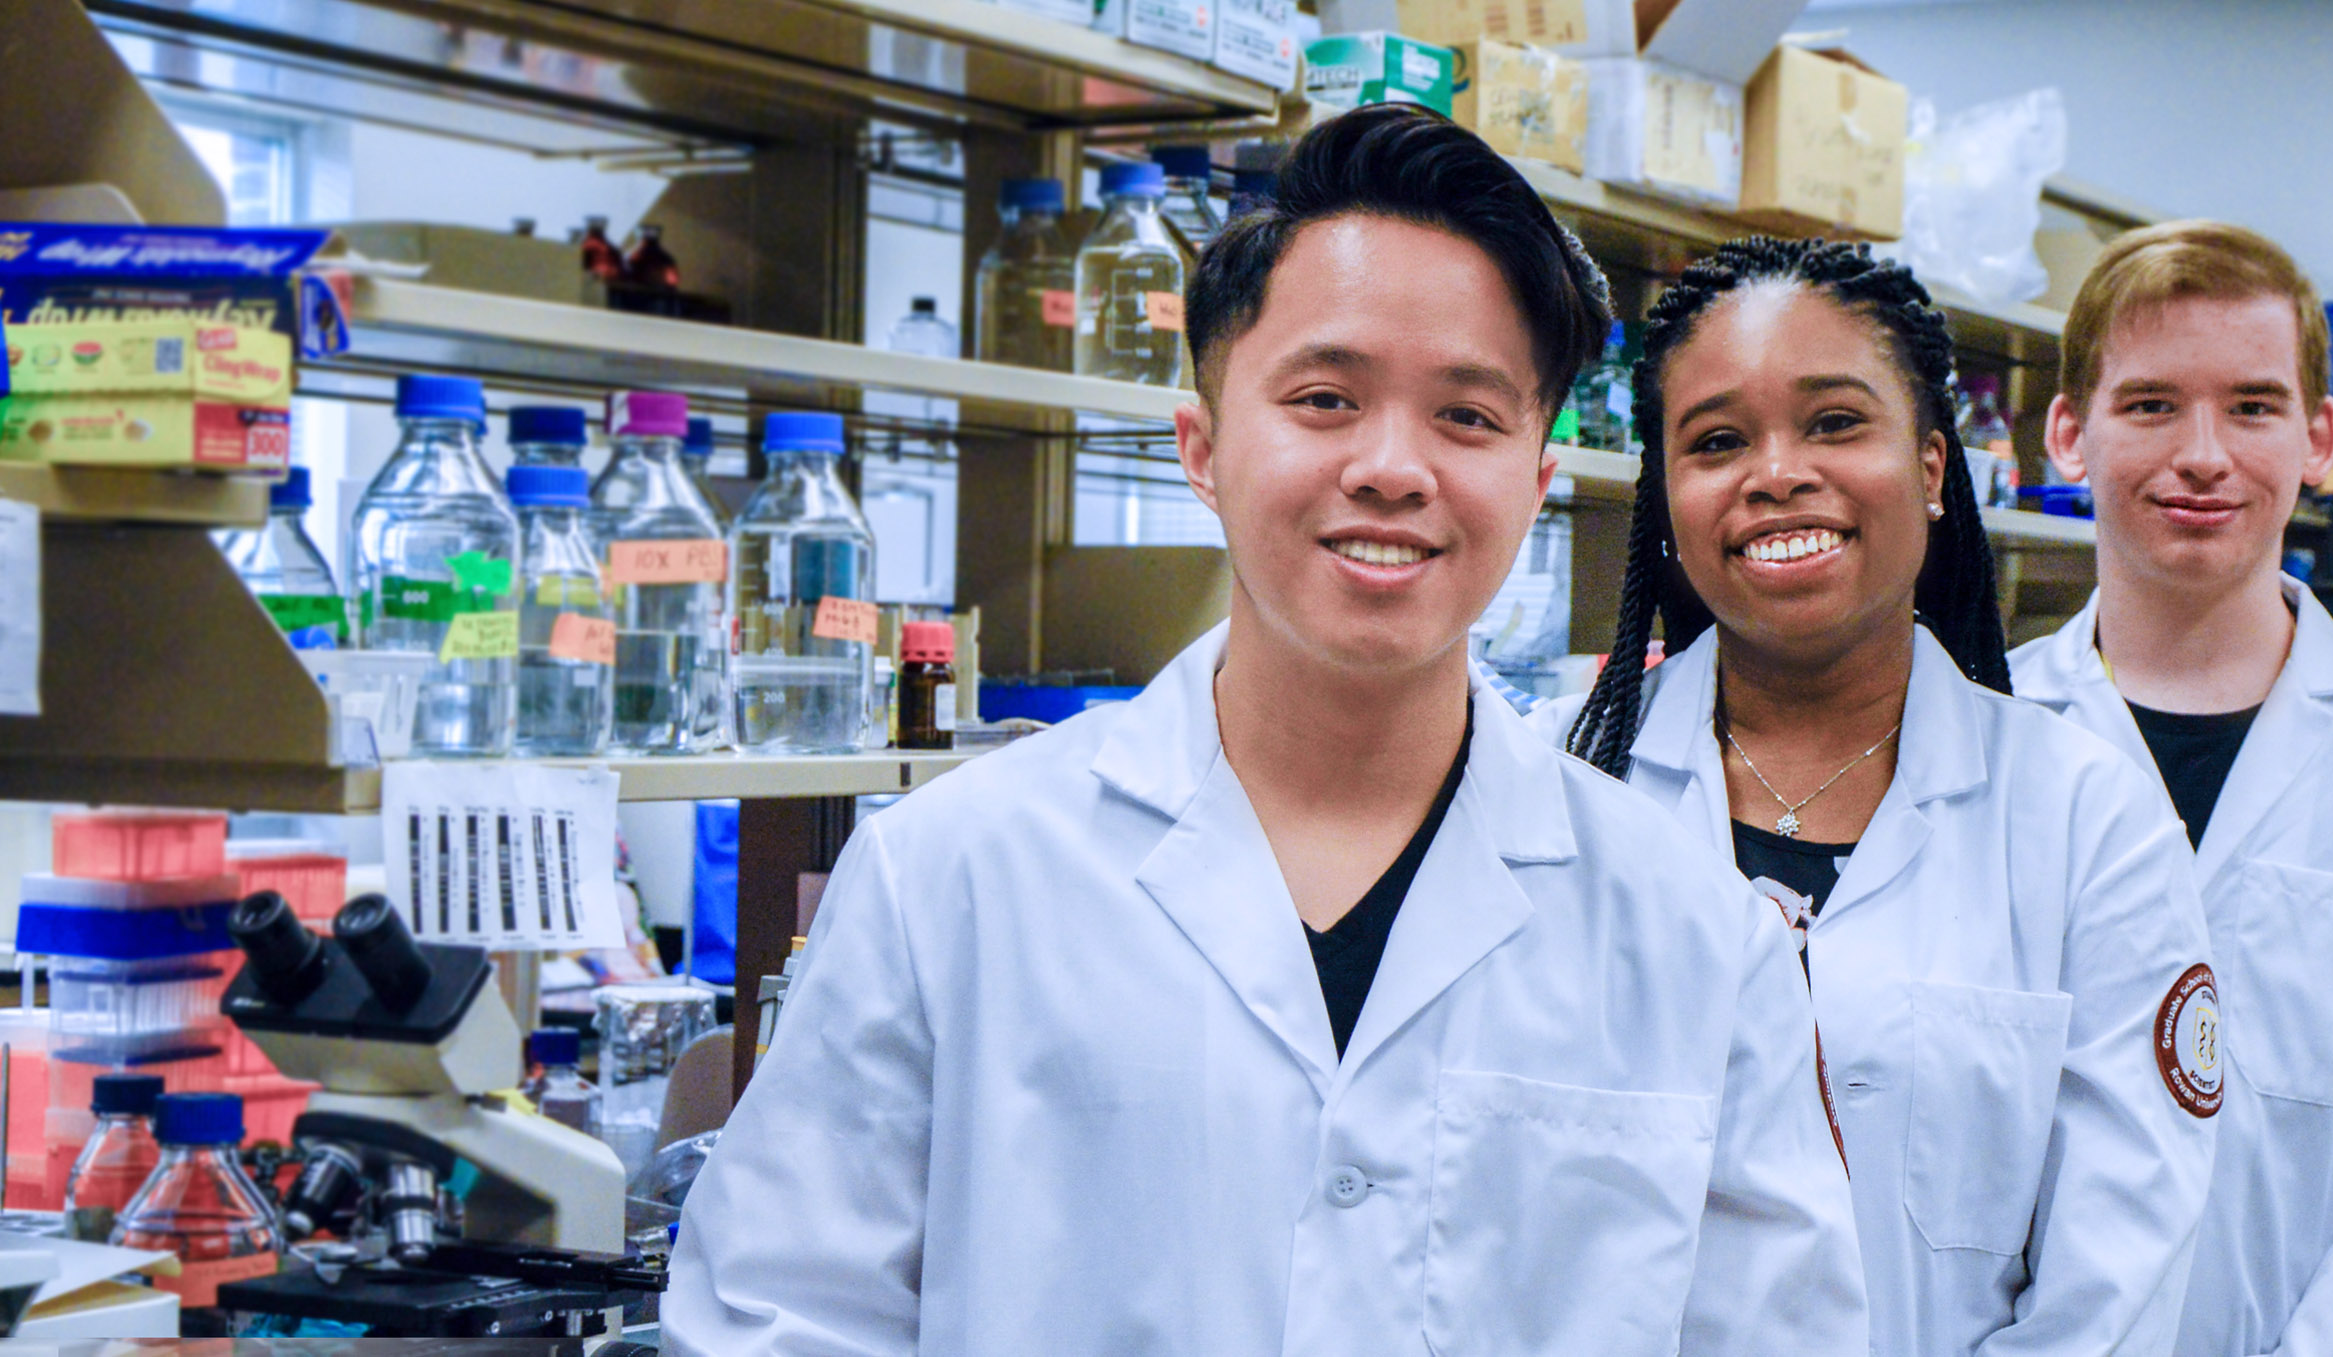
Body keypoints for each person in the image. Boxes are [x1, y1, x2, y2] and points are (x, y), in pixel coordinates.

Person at [662, 105, 1867, 1355]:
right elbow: (779, 1319)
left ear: (1536, 475)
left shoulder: (1688, 928)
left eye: (1467, 416)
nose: (1392, 467)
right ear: (1204, 446)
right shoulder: (949, 875)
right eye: (1326, 397)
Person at [1536, 237, 2219, 1355]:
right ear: (1664, 497)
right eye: (1714, 441)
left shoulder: (2084, 819)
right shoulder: (1557, 788)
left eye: (1835, 423)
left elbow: (2117, 1279)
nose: (1774, 471)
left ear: (1934, 470)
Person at [2010, 219, 2333, 1355]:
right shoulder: (1978, 737)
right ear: (2068, 433)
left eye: (2251, 407)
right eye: (2151, 403)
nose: (2202, 453)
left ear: (2318, 437)